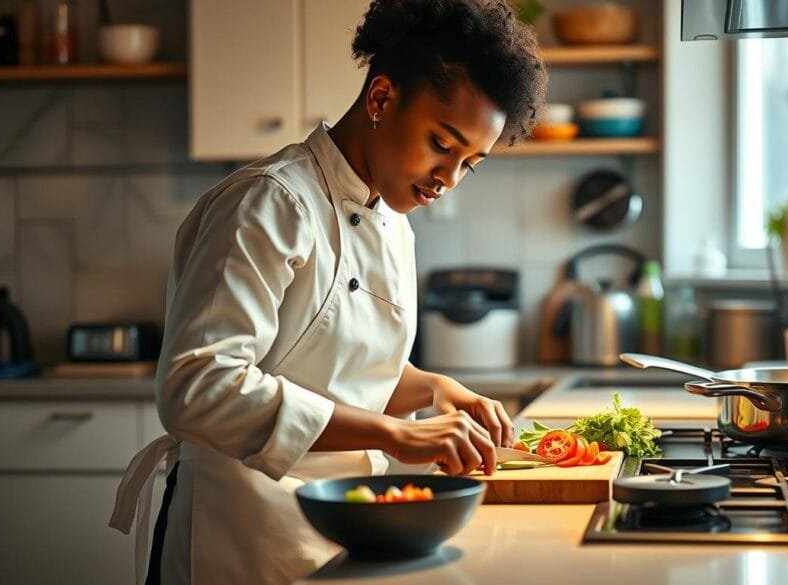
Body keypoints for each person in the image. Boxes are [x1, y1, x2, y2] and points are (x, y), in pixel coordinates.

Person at [109, 1, 547, 583]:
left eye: (470, 163)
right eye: (442, 144)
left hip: (347, 531)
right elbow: (196, 385)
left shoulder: (394, 220)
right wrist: (397, 433)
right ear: (382, 98)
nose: (449, 178)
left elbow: (332, 369)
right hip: (237, 538)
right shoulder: (269, 202)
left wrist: (434, 389)